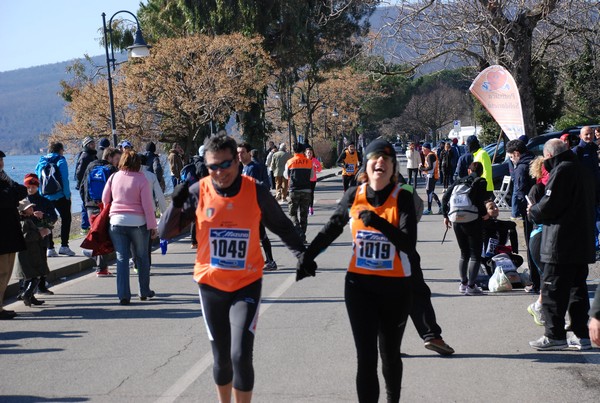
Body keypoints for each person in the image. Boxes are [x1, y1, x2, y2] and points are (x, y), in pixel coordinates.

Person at [159, 134, 307, 403]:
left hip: (246, 282)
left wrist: (301, 254)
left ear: (237, 161)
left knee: (240, 355)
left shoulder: (255, 190)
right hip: (210, 284)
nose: (219, 172)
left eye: (225, 165)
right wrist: (175, 204)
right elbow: (165, 232)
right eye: (212, 166)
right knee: (222, 357)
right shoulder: (198, 191)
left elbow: (281, 225)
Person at [299, 139, 416, 402]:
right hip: (359, 287)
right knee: (366, 358)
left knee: (389, 354)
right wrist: (307, 255)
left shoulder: (403, 197)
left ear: (393, 167)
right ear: (366, 163)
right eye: (375, 157)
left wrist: (378, 222)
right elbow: (331, 228)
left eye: (387, 158)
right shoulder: (355, 195)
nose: (381, 162)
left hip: (396, 288)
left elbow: (408, 244)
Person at [527, 139, 595, 351]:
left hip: (560, 241)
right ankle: (581, 335)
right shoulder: (583, 171)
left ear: (549, 156)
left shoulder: (562, 171)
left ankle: (554, 335)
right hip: (581, 239)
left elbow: (550, 204)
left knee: (553, 290)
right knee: (578, 290)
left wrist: (533, 211)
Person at [102, 151, 158, 305]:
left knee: (121, 258)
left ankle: (124, 295)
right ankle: (144, 290)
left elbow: (105, 198)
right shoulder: (142, 179)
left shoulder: (114, 177)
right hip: (138, 223)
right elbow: (147, 206)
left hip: (116, 222)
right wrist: (153, 226)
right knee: (141, 257)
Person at [442, 161, 490, 296]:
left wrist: (445, 215)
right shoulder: (480, 181)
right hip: (473, 219)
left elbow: (445, 197)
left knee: (464, 253)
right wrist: (484, 214)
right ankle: (471, 286)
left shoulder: (459, 181)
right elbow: (478, 200)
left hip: (456, 219)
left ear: (469, 170)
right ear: (481, 172)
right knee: (475, 254)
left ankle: (463, 284)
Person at [237, 142, 277, 271]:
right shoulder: (247, 167)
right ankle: (269, 261)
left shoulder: (251, 168)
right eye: (238, 153)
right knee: (260, 235)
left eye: (242, 152)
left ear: (249, 153)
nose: (239, 155)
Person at [82, 147, 122, 277]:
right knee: (104, 235)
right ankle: (101, 267)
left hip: (90, 205)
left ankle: (97, 260)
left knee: (96, 232)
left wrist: (86, 203)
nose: (117, 162)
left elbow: (83, 187)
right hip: (105, 206)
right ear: (109, 157)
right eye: (116, 159)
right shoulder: (111, 170)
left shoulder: (90, 166)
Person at [35, 142, 76, 257]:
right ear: (60, 150)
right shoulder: (61, 160)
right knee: (66, 219)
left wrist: (40, 195)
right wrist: (67, 195)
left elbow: (38, 178)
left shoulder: (41, 161)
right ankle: (64, 246)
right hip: (60, 196)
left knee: (48, 221)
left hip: (45, 197)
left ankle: (50, 247)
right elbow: (65, 180)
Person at [0, 150, 28, 320]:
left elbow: (22, 190)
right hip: (2, 234)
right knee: (2, 272)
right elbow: (6, 199)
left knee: (7, 272)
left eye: (2, 159)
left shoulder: (5, 178)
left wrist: (10, 189)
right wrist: (11, 192)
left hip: (9, 231)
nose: (1, 162)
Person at [23, 173, 57, 294]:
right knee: (26, 263)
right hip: (27, 236)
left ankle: (42, 286)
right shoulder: (22, 201)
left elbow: (54, 217)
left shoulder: (45, 201)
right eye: (28, 187)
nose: (30, 189)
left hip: (42, 235)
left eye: (33, 186)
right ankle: (24, 289)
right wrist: (31, 215)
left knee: (42, 261)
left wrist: (44, 216)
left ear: (38, 187)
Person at [15, 199, 50, 307]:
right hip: (29, 252)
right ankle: (27, 294)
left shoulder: (28, 220)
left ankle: (30, 297)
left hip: (32, 251)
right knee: (36, 274)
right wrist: (40, 233)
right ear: (23, 211)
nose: (32, 209)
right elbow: (26, 236)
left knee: (32, 275)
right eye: (29, 208)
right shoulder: (24, 222)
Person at [572, 126, 600, 256]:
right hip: (584, 193)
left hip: (597, 191)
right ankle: (592, 247)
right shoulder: (577, 151)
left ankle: (595, 246)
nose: (589, 137)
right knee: (589, 221)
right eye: (586, 135)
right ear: (580, 136)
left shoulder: (594, 149)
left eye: (591, 134)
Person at [284, 143, 314, 243]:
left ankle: (298, 232)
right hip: (306, 190)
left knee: (292, 213)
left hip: (294, 190)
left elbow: (285, 175)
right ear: (303, 151)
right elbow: (311, 176)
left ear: (294, 150)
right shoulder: (309, 162)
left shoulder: (290, 162)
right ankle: (303, 236)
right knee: (304, 214)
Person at [75, 136, 98, 233]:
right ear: (87, 145)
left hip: (89, 184)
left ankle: (88, 224)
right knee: (86, 205)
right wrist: (83, 184)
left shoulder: (91, 155)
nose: (93, 145)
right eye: (91, 144)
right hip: (85, 185)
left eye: (93, 143)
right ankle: (85, 226)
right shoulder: (85, 156)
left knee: (88, 205)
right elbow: (79, 173)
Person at [419, 143, 442, 215]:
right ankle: (441, 206)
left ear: (427, 149)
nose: (422, 151)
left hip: (431, 176)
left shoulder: (430, 156)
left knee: (429, 192)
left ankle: (429, 210)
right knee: (431, 192)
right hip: (432, 176)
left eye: (423, 149)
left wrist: (421, 168)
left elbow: (430, 167)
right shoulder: (430, 155)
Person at [305, 146, 322, 216]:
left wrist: (317, 167)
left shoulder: (315, 160)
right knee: (305, 194)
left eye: (311, 153)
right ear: (305, 153)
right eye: (308, 153)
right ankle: (306, 207)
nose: (309, 154)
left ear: (312, 154)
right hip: (305, 180)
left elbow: (319, 169)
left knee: (311, 194)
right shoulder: (304, 160)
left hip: (313, 180)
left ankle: (311, 208)